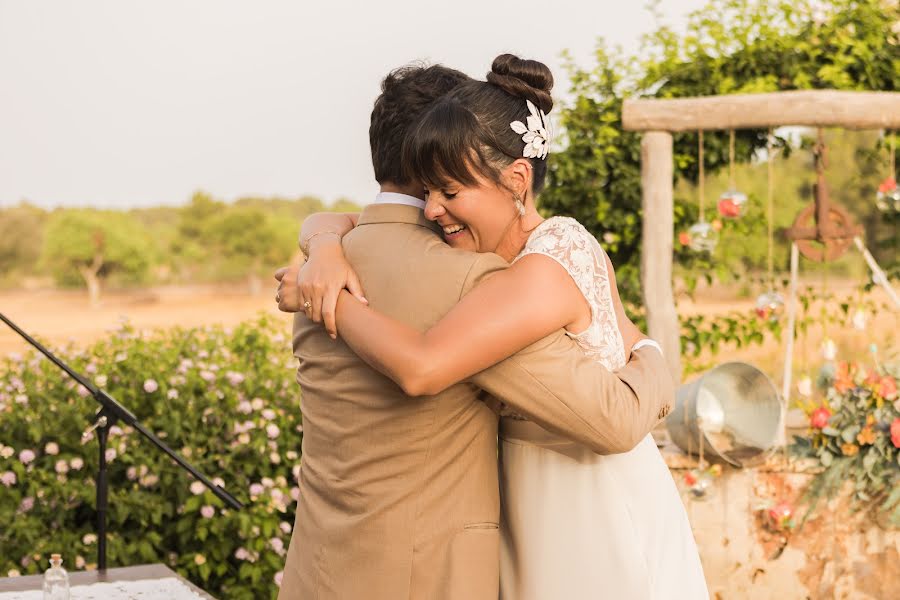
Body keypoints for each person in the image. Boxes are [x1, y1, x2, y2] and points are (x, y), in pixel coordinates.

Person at [288, 55, 708, 599]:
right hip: (528, 510)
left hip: (586, 506)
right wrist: (320, 240)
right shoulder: (473, 265)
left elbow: (615, 420)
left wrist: (325, 294)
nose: (435, 209)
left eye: (450, 189)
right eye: (431, 189)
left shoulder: (525, 273)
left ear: (515, 179)